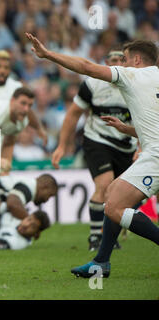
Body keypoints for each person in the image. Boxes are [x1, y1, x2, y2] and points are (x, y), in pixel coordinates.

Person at [26, 33, 159, 278]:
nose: (122, 64)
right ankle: (101, 262)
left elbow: (86, 67)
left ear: (138, 60)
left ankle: (102, 260)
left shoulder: (132, 75)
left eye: (126, 60)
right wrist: (128, 129)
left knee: (114, 206)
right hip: (147, 148)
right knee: (114, 199)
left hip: (155, 154)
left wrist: (48, 55)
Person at [51, 48, 138, 251]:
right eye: (112, 59)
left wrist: (141, 146)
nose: (117, 63)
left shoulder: (135, 86)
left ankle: (110, 234)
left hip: (127, 144)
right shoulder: (91, 84)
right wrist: (63, 145)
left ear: (126, 64)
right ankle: (95, 237)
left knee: (122, 195)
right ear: (105, 63)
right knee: (105, 184)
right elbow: (73, 114)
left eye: (121, 59)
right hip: (97, 140)